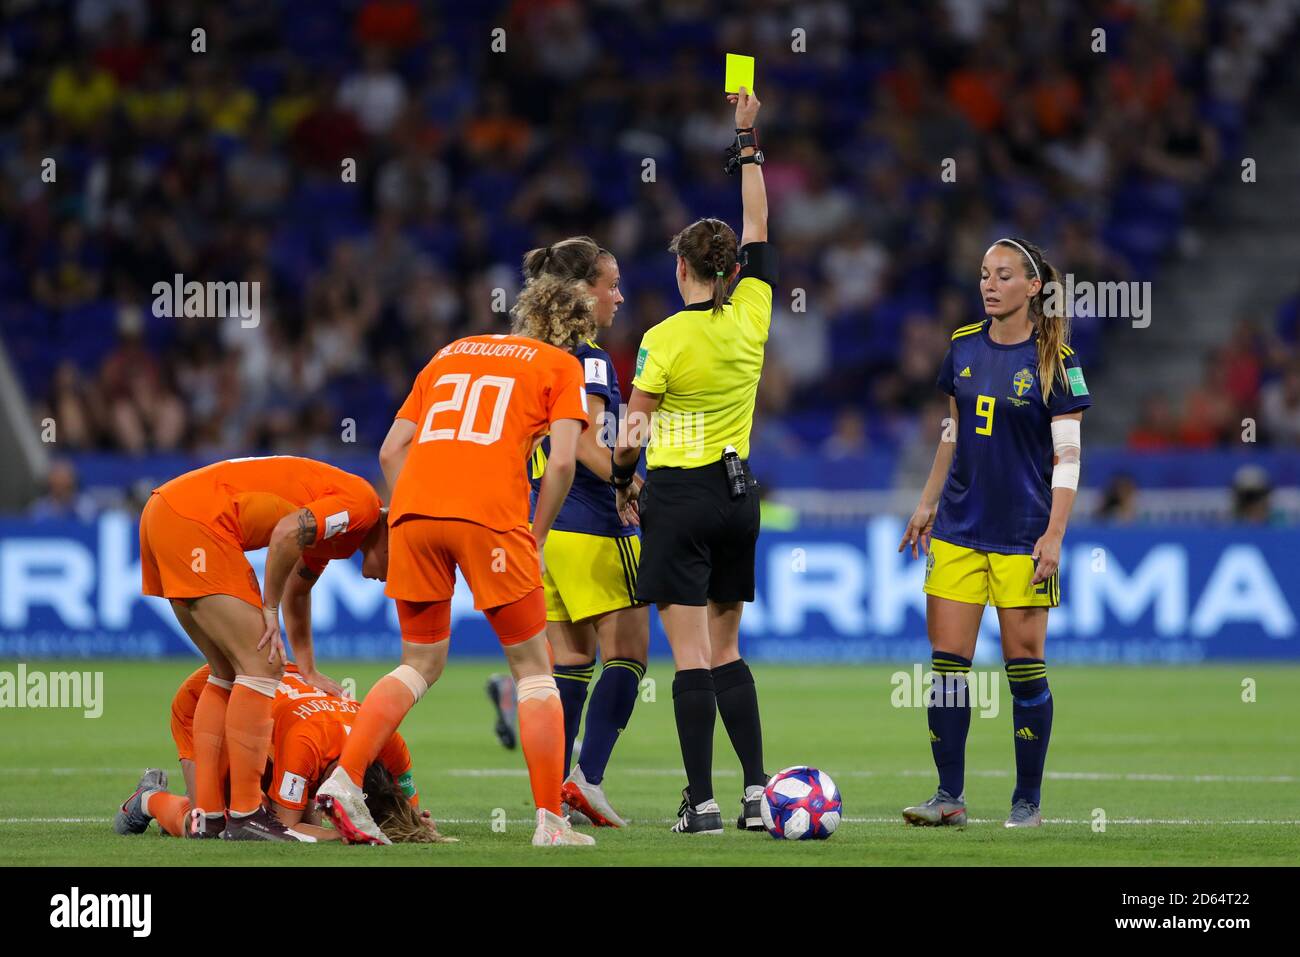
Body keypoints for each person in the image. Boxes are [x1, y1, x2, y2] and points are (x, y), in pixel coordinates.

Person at [315, 274, 597, 848]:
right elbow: (564, 462)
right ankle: (551, 822)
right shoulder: (561, 366)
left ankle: (344, 780)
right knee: (534, 670)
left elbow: (390, 450)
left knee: (418, 663)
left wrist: (419, 509)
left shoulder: (451, 351)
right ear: (574, 329)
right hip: (490, 517)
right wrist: (537, 534)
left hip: (414, 514)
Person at [611, 86, 774, 835]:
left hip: (678, 497)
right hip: (739, 497)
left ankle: (701, 802)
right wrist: (747, 141)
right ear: (733, 270)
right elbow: (759, 224)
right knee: (728, 645)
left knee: (690, 658)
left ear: (683, 268)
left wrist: (623, 480)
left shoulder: (664, 338)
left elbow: (633, 428)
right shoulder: (754, 312)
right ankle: (756, 794)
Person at [898, 236, 1091, 829]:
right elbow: (951, 433)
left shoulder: (1057, 361)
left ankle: (1026, 801)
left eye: (1004, 275)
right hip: (959, 528)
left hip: (1024, 535)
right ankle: (948, 797)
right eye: (984, 274)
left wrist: (1055, 534)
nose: (989, 284)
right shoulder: (961, 345)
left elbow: (1068, 458)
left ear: (1033, 287)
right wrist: (927, 502)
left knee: (1024, 668)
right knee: (947, 668)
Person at [138, 456, 389, 840]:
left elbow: (299, 590)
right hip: (198, 520)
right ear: (393, 536)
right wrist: (268, 607)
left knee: (226, 672)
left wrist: (307, 668)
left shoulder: (342, 529)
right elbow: (287, 532)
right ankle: (246, 814)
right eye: (405, 563)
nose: (394, 580)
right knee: (262, 665)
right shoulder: (362, 506)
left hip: (168, 511)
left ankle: (209, 815)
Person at [520, 236, 648, 828]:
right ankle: (587, 779)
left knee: (570, 661)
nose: (619, 298)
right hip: (596, 525)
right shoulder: (588, 359)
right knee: (629, 654)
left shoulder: (531, 355)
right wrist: (629, 484)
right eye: (611, 286)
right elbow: (591, 443)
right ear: (581, 292)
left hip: (543, 528)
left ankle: (553, 797)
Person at [113, 664, 450, 843]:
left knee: (296, 810)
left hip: (264, 701)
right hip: (210, 699)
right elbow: (284, 826)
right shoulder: (307, 744)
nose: (331, 809)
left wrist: (414, 825)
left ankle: (196, 798)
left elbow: (406, 811)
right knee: (210, 826)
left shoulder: (391, 745)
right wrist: (337, 834)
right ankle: (146, 800)